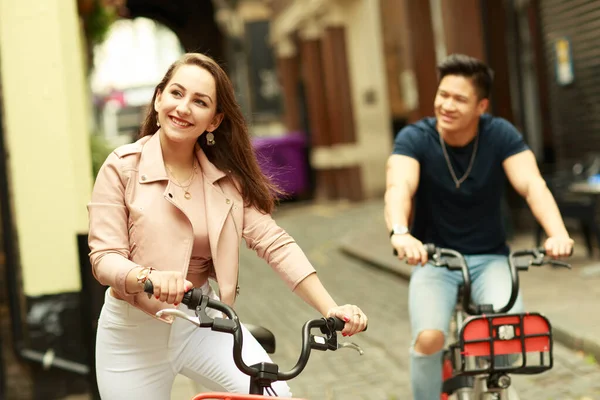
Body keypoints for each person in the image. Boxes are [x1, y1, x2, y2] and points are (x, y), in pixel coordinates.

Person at [88, 52, 368, 399]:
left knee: (277, 396)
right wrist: (148, 277)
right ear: (158, 98)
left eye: (200, 101)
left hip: (202, 321)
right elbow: (105, 258)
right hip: (132, 331)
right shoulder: (121, 168)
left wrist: (331, 308)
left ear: (214, 120)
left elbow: (274, 242)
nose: (184, 107)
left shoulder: (226, 183)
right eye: (176, 93)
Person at [384, 54, 573, 400]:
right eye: (443, 95)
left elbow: (532, 185)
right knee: (430, 338)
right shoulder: (415, 137)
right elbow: (399, 187)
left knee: (507, 339)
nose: (447, 105)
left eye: (459, 99)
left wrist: (557, 233)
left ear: (481, 106)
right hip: (434, 259)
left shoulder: (500, 134)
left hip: (491, 259)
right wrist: (400, 232)